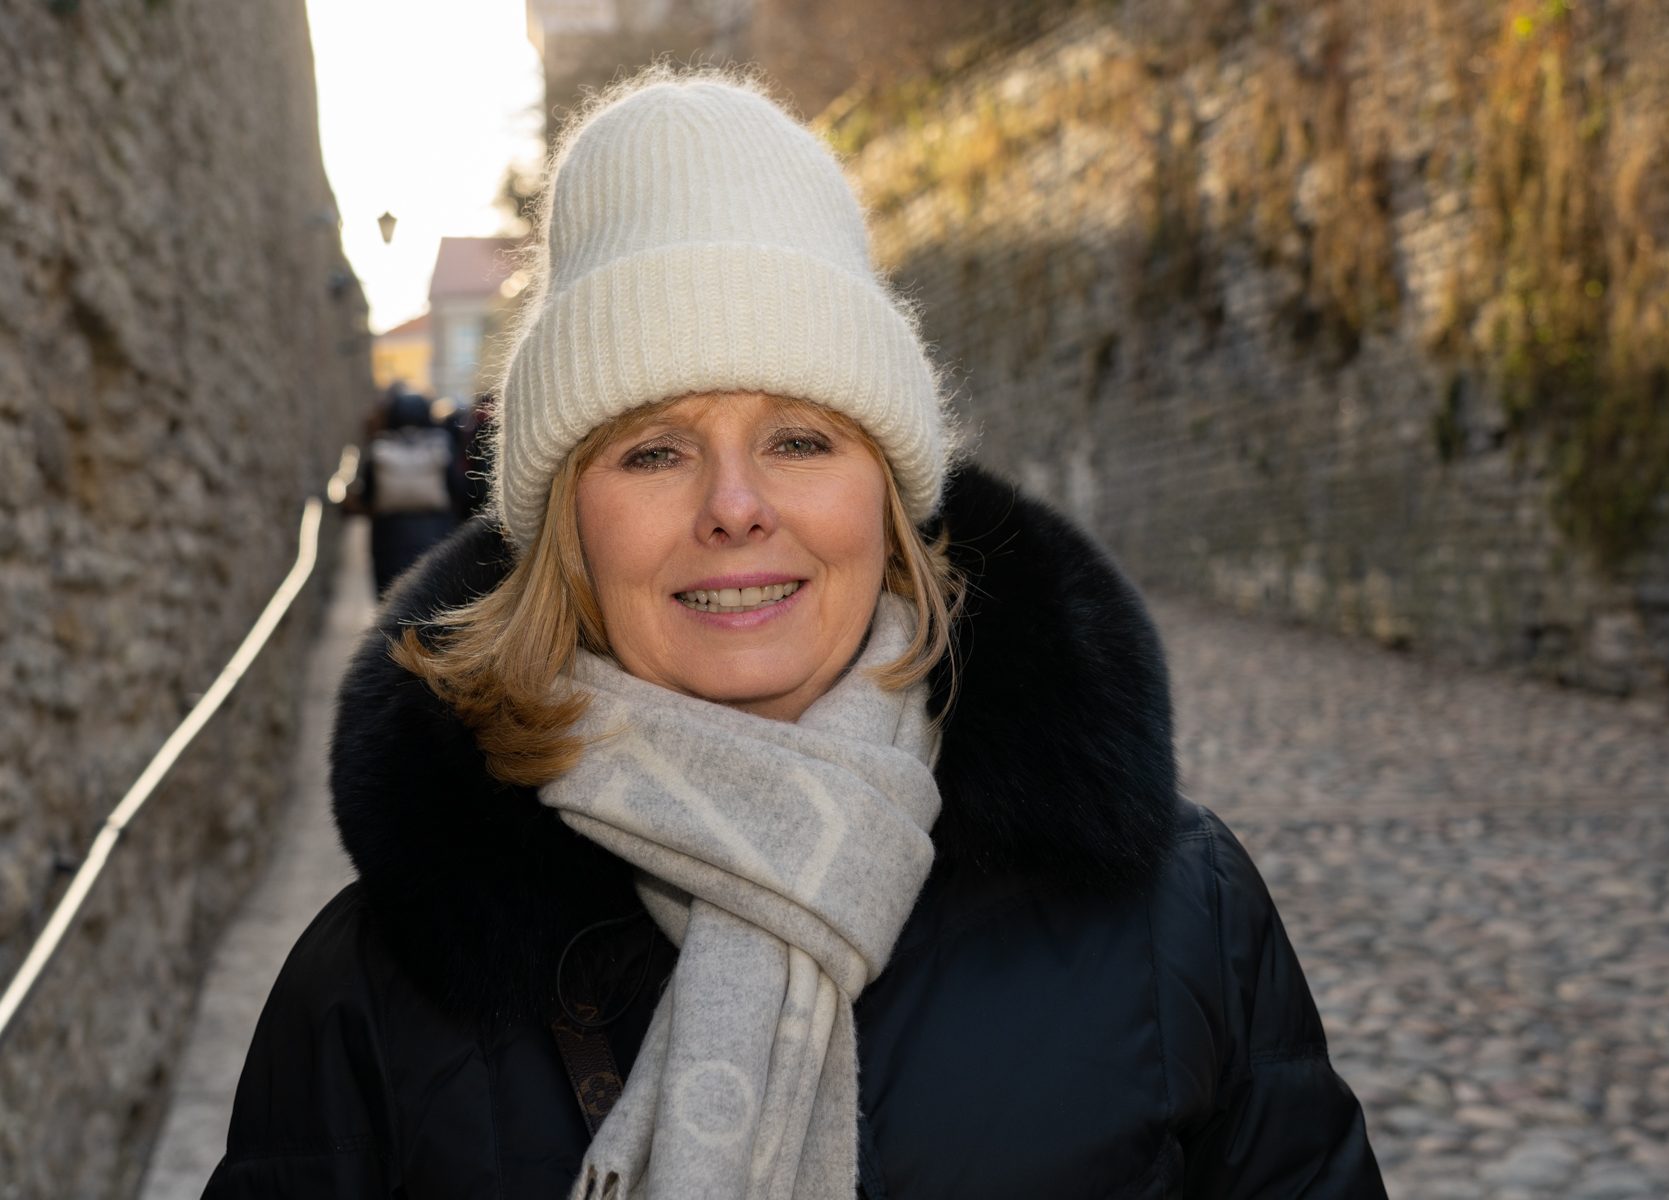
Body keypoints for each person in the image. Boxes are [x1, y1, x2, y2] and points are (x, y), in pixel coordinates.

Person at [204, 72, 1385, 1200]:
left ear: (888, 495)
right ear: (570, 525)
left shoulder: (1177, 916)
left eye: (802, 440)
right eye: (654, 450)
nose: (735, 505)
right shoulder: (375, 989)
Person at [360, 388, 464, 595]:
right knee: (430, 597)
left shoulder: (380, 447)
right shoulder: (441, 444)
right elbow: (458, 489)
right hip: (435, 534)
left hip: (389, 537)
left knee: (389, 598)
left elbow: (367, 494)